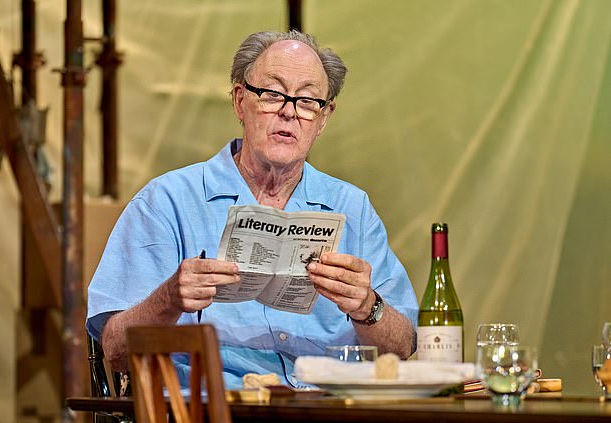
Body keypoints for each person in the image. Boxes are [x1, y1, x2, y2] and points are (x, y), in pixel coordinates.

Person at [86, 30, 418, 389]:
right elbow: (117, 351)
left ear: (323, 119)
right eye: (273, 94)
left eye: (308, 101)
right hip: (213, 411)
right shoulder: (166, 202)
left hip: (328, 411)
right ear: (240, 100)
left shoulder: (353, 208)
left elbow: (402, 347)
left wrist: (368, 306)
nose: (289, 112)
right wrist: (169, 299)